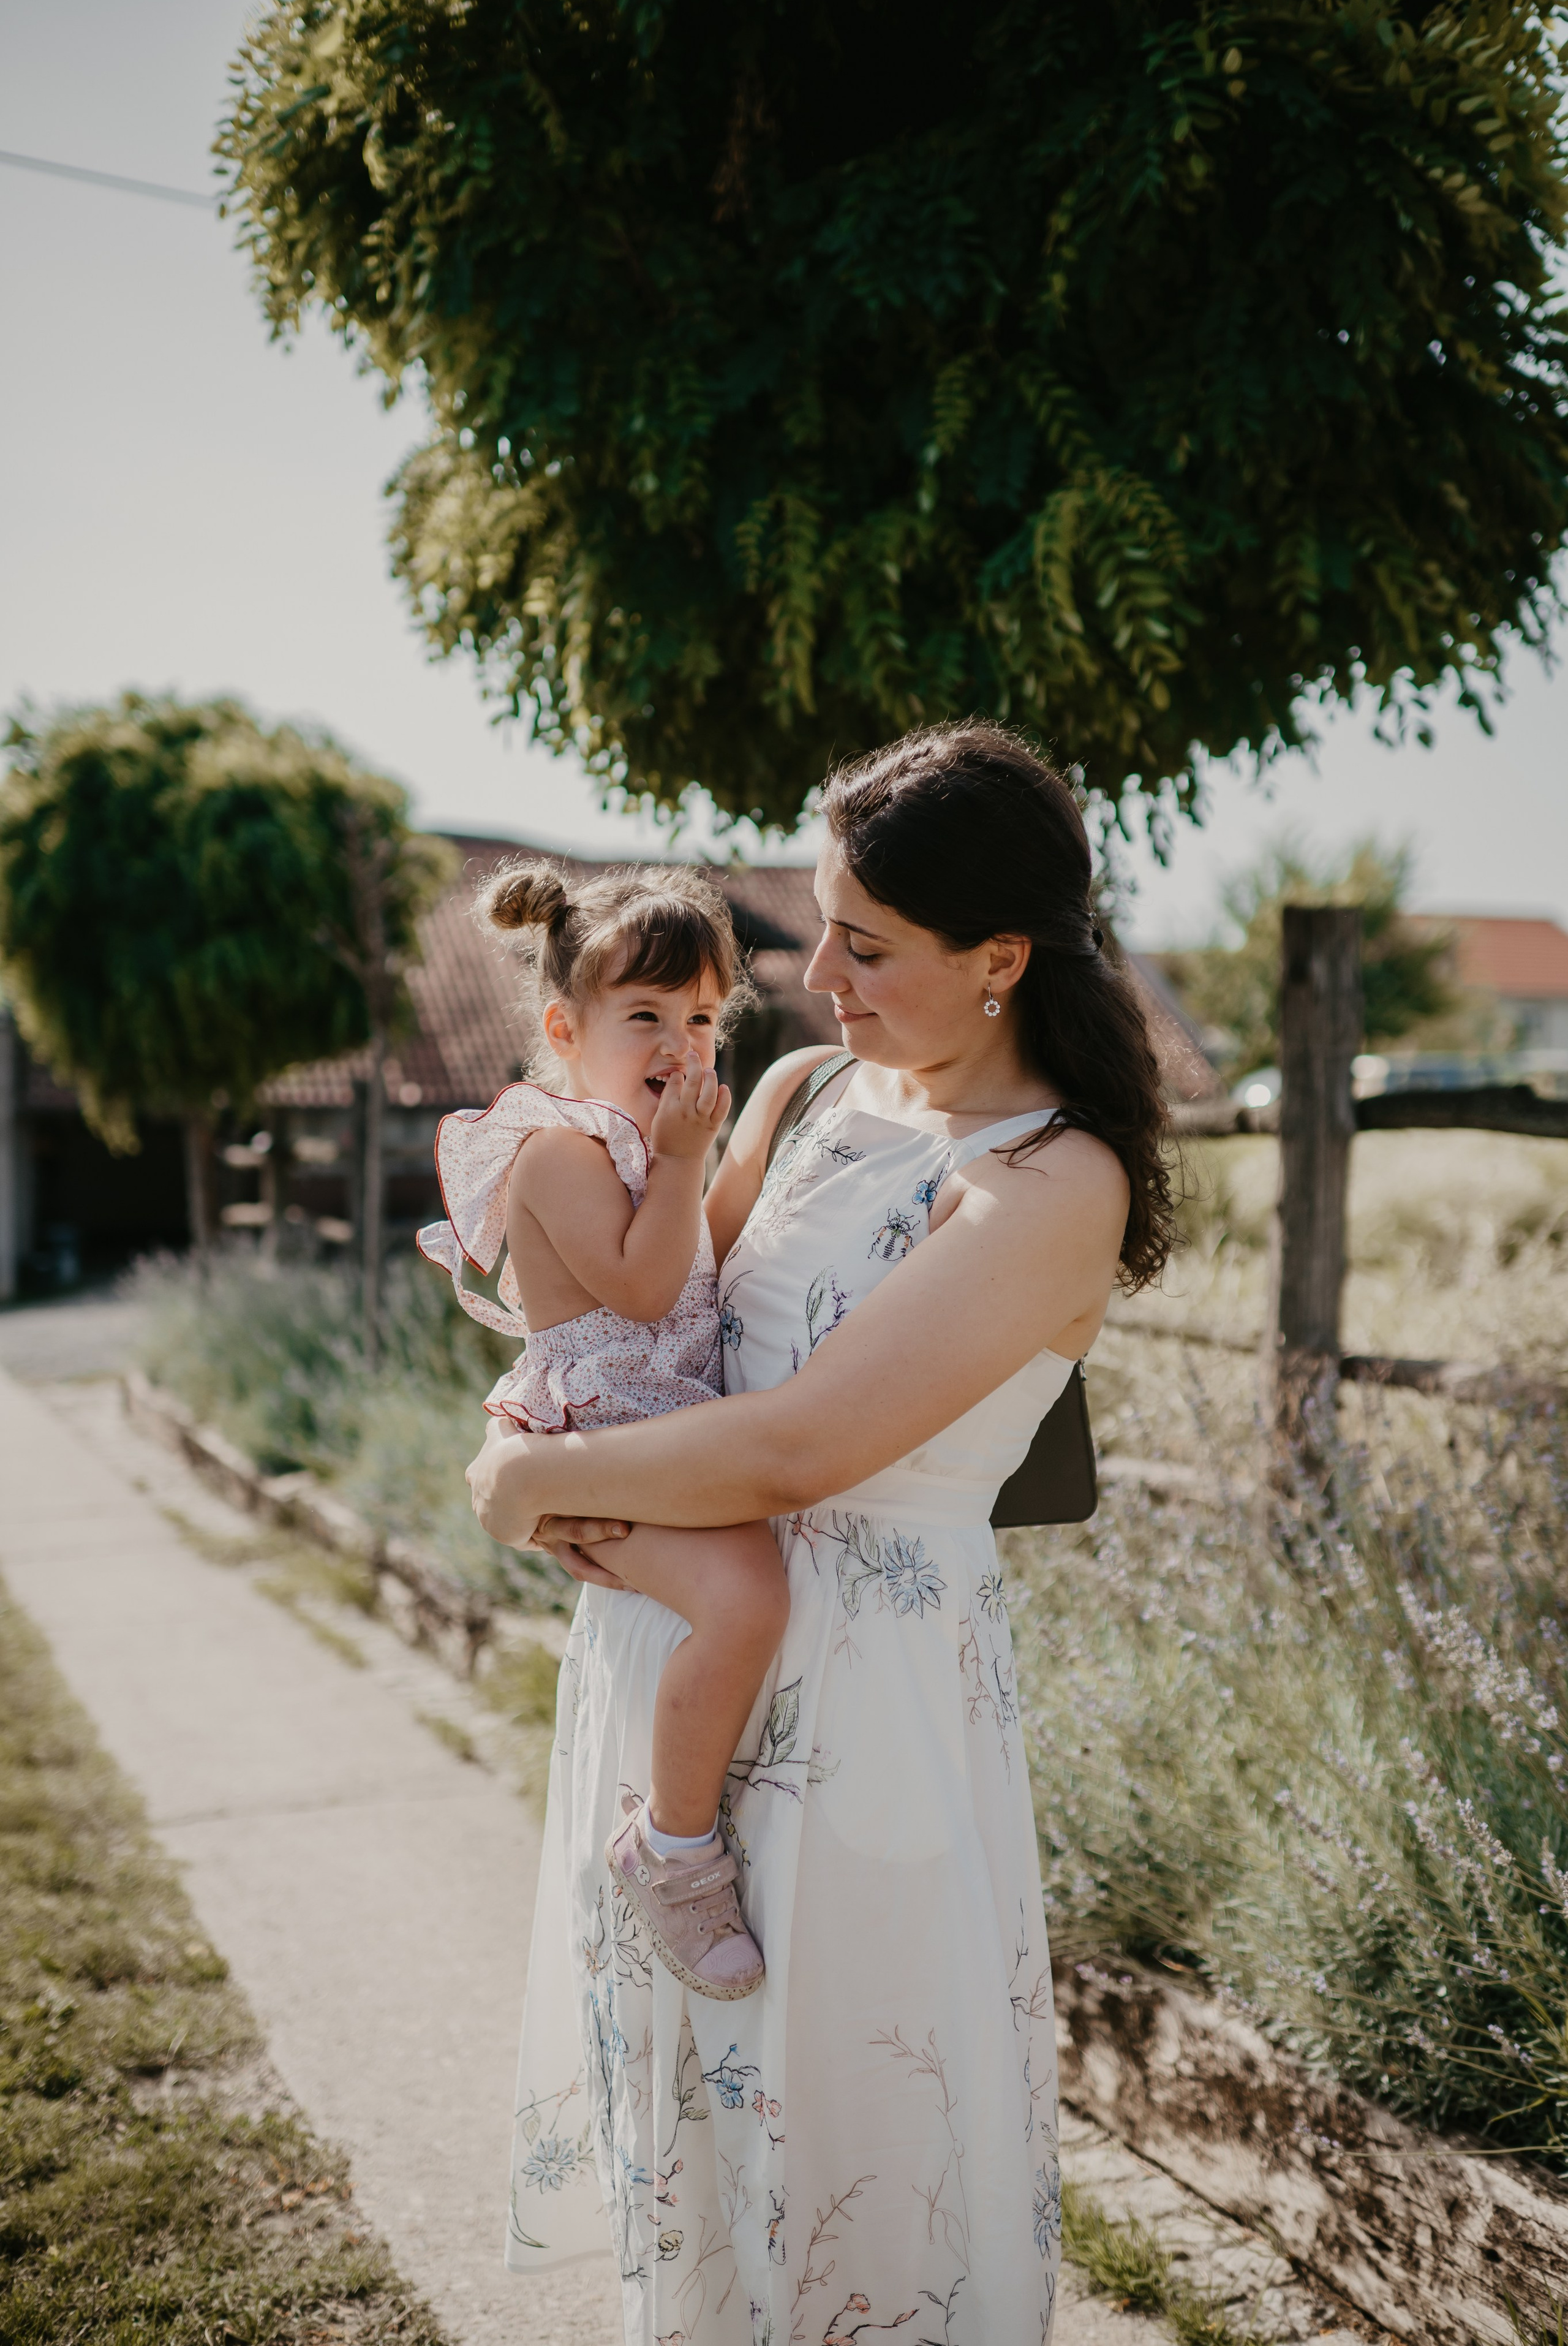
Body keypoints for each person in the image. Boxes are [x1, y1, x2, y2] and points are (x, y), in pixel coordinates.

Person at [467, 722, 1176, 2341]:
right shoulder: (799, 1090)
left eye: (867, 944)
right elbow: (665, 1340)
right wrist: (539, 1422)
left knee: (854, 2155)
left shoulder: (1052, 1184)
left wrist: (524, 1493)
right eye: (819, 925)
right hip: (684, 1665)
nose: (822, 975)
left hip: (869, 1711)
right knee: (711, 2169)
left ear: (1000, 957)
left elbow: (794, 1444)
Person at [418, 861, 788, 2000]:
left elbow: (700, 1267)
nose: (681, 1044)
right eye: (647, 1019)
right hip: (604, 1435)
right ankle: (672, 1849)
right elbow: (639, 1288)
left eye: (702, 1019)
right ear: (564, 1030)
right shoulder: (563, 1150)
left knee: (765, 1583)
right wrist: (687, 1159)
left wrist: (712, 1164)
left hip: (658, 1433)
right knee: (746, 1601)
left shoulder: (637, 1149)